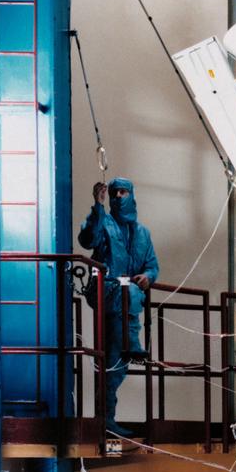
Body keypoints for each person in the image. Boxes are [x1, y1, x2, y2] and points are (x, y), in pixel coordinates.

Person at [78, 177, 159, 436]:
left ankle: (106, 420)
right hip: (107, 292)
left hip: (128, 303)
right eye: (115, 193)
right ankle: (132, 343)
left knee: (115, 362)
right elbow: (87, 239)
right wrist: (97, 207)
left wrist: (148, 276)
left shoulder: (143, 233)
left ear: (132, 195)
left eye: (123, 192)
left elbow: (152, 265)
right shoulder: (104, 223)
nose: (119, 197)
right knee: (115, 356)